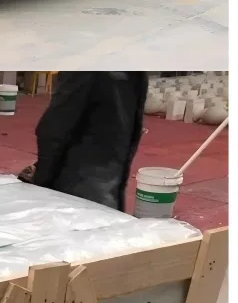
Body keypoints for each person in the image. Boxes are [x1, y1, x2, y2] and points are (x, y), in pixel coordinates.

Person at [18, 72, 149, 212]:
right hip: (82, 186)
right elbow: (54, 127)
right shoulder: (91, 68)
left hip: (110, 184)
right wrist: (42, 178)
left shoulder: (135, 73)